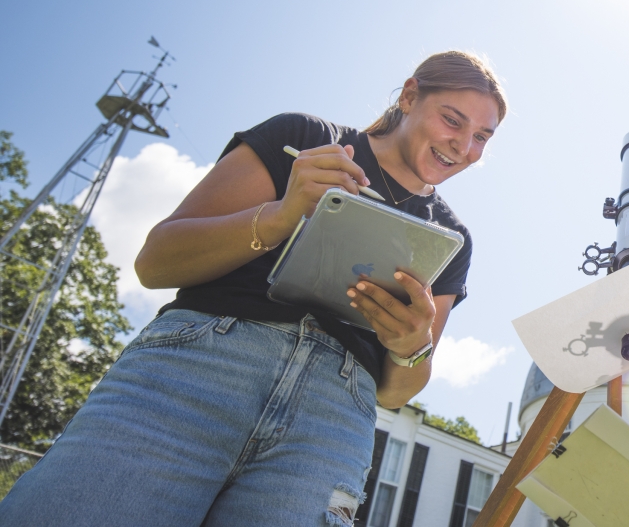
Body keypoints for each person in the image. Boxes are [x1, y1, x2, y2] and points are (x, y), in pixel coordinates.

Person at [0, 51, 507, 527]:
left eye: (482, 136)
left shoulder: (452, 240)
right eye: (452, 119)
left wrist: (410, 344)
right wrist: (284, 214)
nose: (463, 147)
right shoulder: (304, 138)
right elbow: (155, 262)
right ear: (409, 96)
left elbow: (397, 391)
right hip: (195, 375)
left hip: (329, 425)